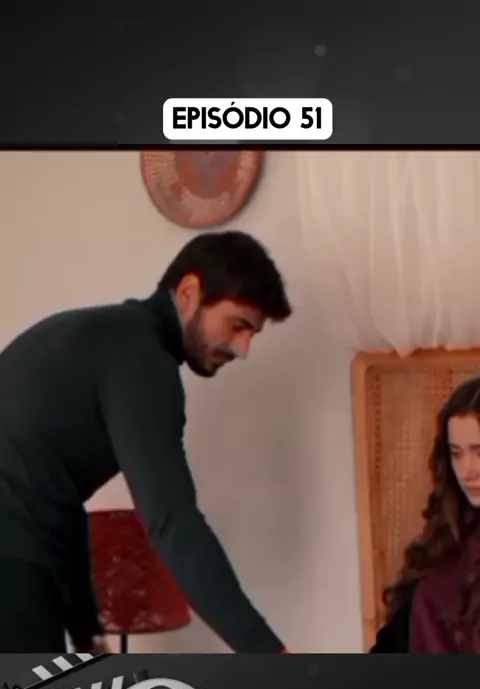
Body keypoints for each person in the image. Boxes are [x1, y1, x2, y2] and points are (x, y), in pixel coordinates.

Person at [0, 230, 292, 653]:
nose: (243, 348)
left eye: (253, 334)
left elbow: (54, 496)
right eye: (238, 324)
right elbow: (172, 521)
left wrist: (86, 630)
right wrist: (266, 651)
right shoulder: (142, 360)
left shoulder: (104, 335)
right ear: (188, 293)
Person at [371, 374, 480, 653]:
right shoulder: (447, 538)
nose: (467, 470)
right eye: (457, 453)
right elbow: (390, 647)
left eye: (478, 451)